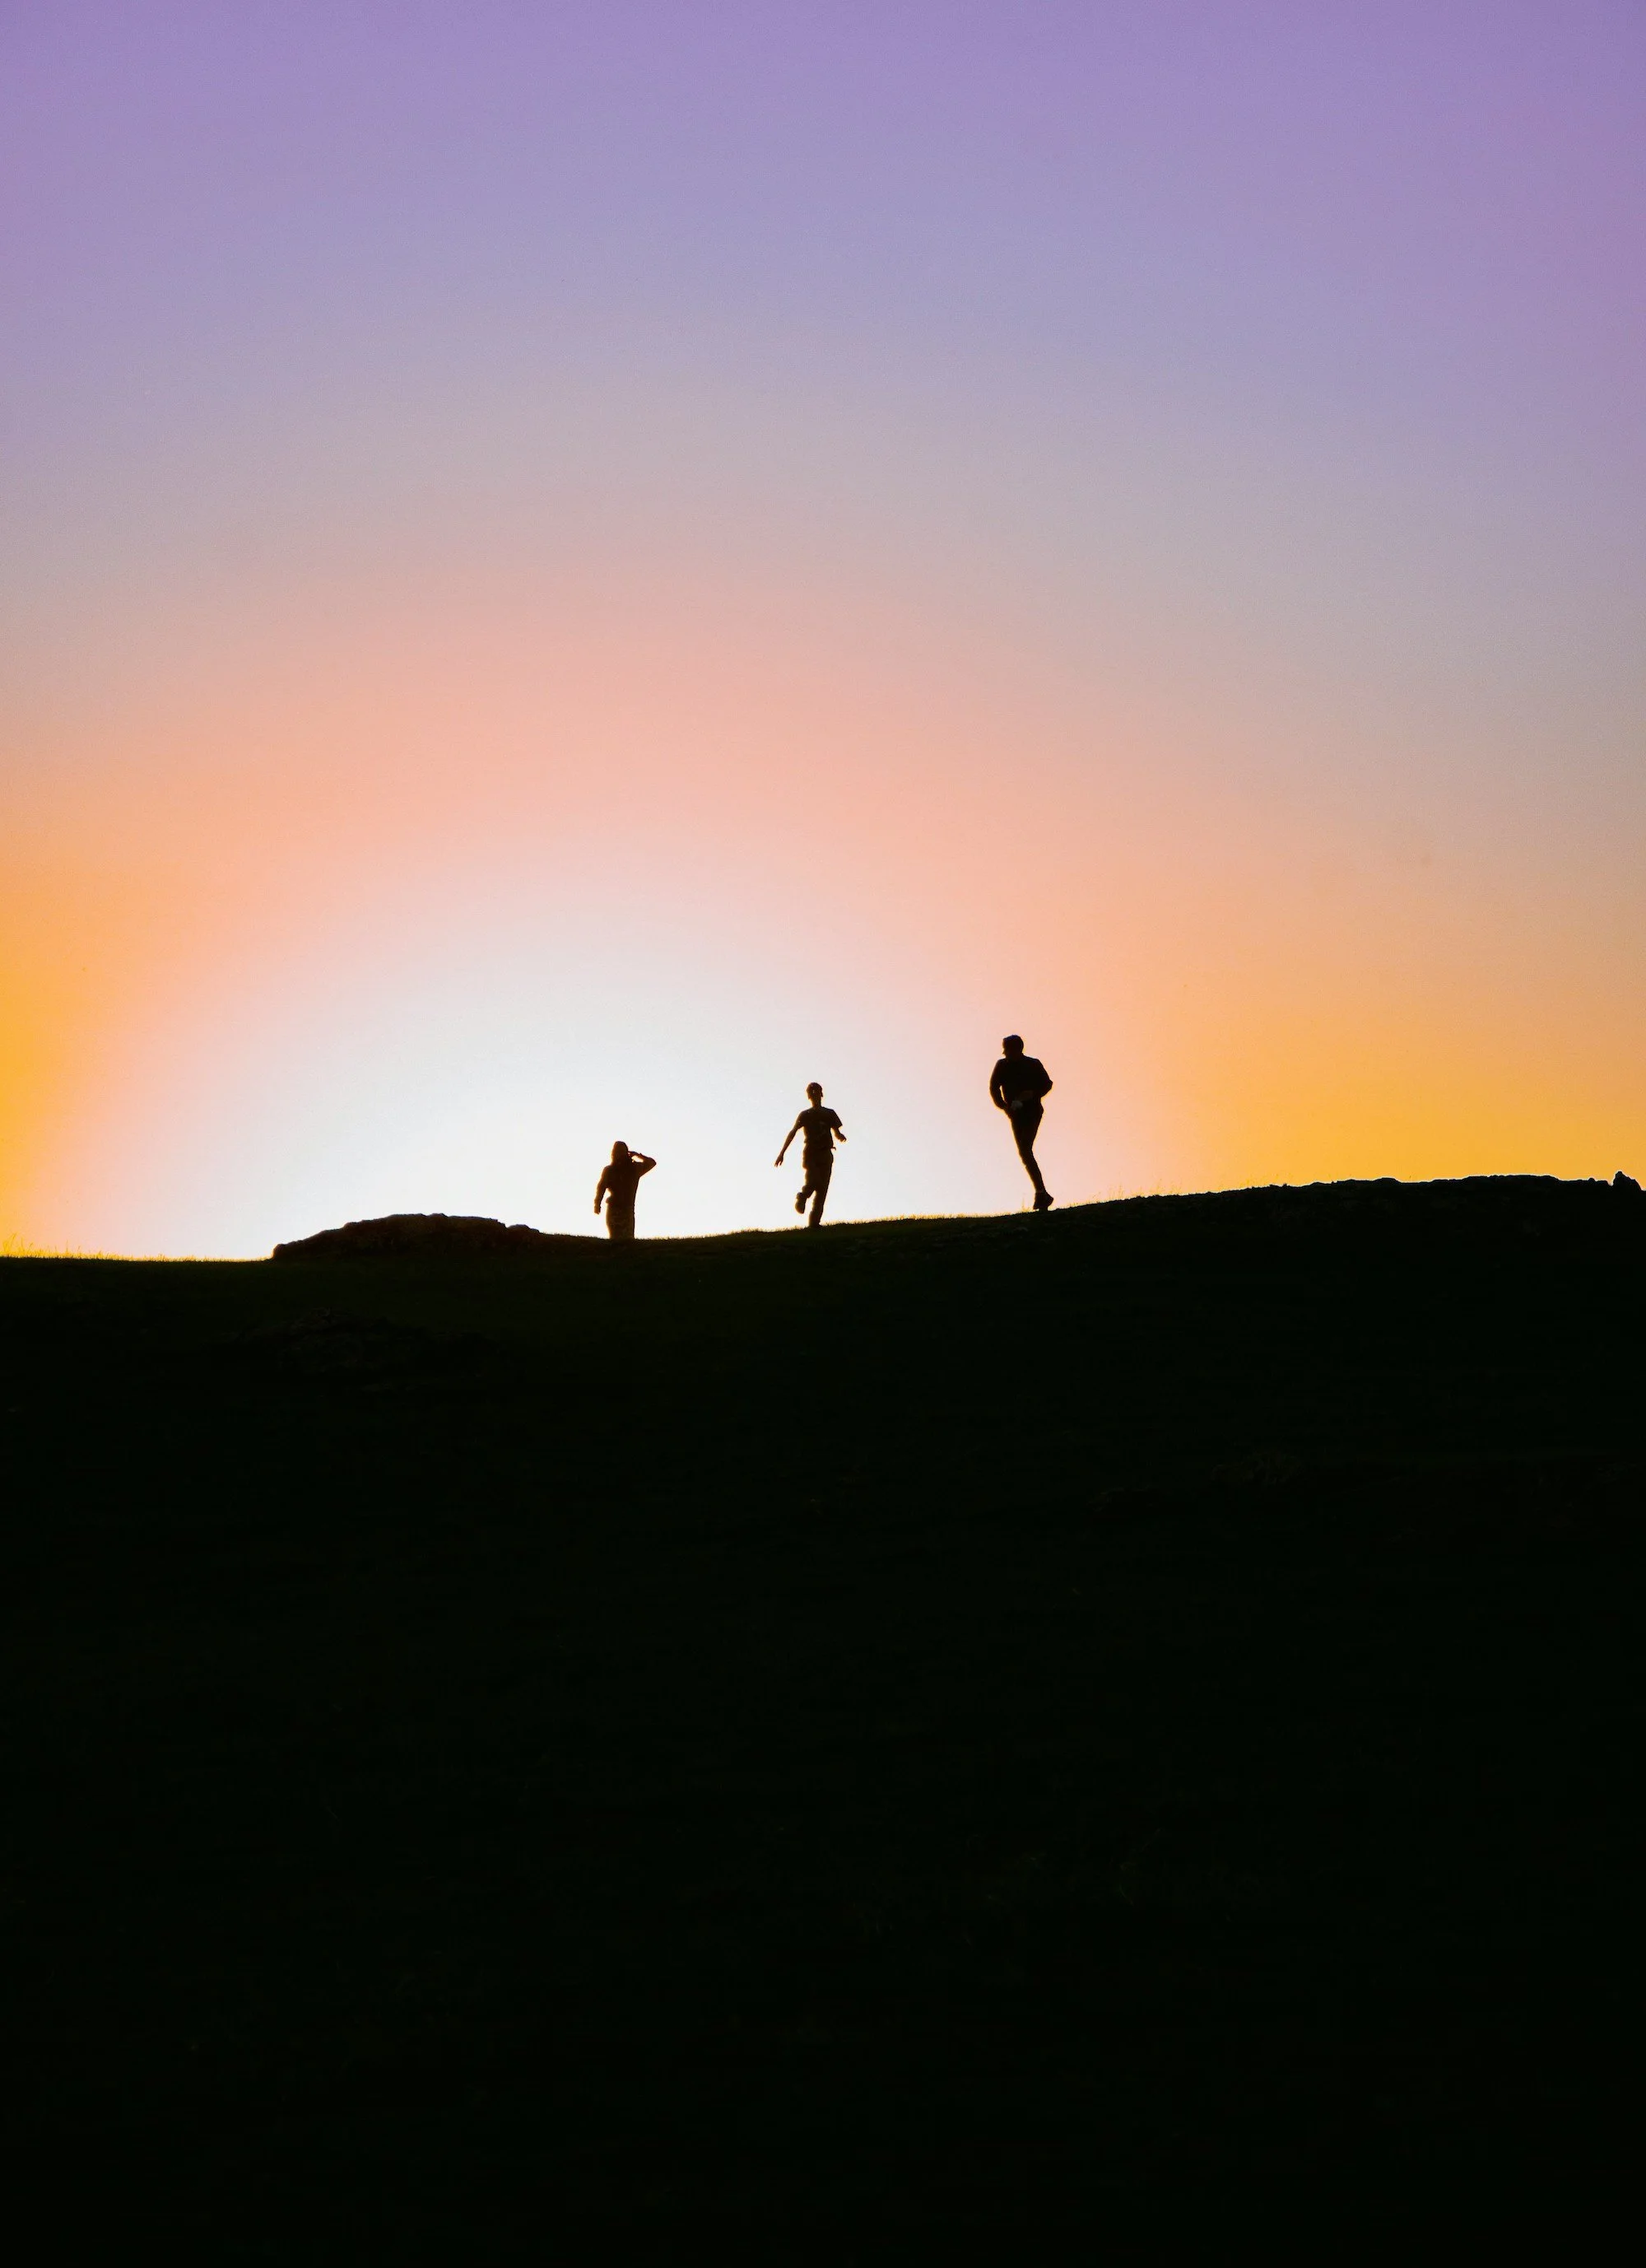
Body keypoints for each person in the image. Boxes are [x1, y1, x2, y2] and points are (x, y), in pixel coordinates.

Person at [990, 1034, 1053, 1209]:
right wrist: (1004, 1107)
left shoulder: (1033, 1064)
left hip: (1032, 1112)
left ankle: (1041, 1194)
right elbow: (994, 1088)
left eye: (1007, 1049)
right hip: (1016, 1115)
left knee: (1025, 1150)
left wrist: (1031, 1094)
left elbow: (1047, 1084)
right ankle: (1042, 1193)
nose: (1004, 1053)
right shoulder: (1002, 1066)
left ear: (1017, 1049)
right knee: (1025, 1152)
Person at [774, 1082, 846, 1229]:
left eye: (816, 1091)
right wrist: (782, 1152)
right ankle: (802, 1196)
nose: (814, 1094)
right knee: (813, 1181)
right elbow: (793, 1132)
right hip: (812, 1153)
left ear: (821, 1094)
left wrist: (839, 1136)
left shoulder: (829, 1113)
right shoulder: (805, 1115)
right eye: (811, 1092)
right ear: (809, 1096)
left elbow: (836, 1131)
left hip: (826, 1153)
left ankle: (814, 1224)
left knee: (822, 1189)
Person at [593, 1140, 656, 1241]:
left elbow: (652, 1163)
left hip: (627, 1211)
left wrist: (638, 1155)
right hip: (615, 1209)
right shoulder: (610, 1170)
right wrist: (597, 1203)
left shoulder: (635, 1168)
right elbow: (601, 1187)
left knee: (627, 1240)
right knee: (616, 1239)